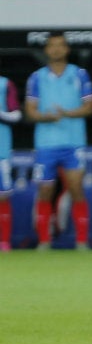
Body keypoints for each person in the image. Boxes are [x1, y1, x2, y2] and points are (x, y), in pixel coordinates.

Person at [24, 32, 92, 250]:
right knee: (45, 191)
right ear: (47, 50)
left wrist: (67, 114)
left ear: (66, 49)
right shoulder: (36, 78)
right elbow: (29, 112)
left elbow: (90, 106)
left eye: (60, 45)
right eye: (52, 46)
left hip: (73, 143)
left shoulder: (79, 75)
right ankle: (45, 241)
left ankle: (81, 241)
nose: (56, 49)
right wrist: (47, 117)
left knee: (76, 189)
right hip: (45, 144)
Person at [0, 66, 21, 252]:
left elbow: (16, 115)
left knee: (2, 197)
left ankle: (4, 241)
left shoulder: (5, 84)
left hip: (1, 151)